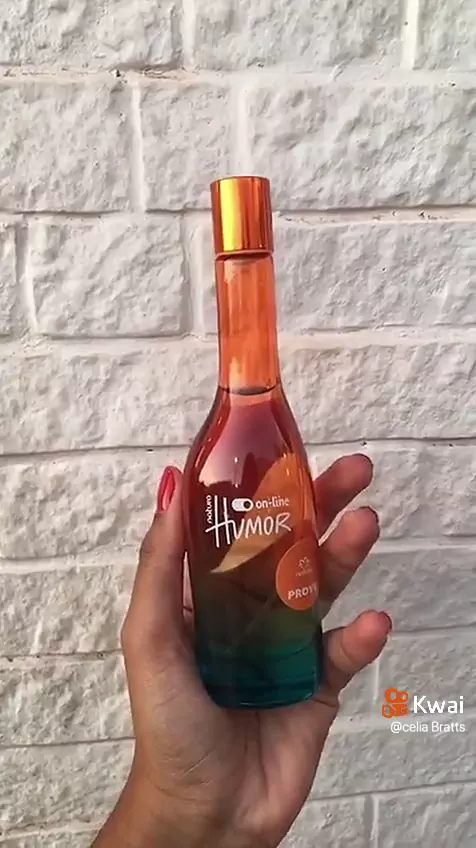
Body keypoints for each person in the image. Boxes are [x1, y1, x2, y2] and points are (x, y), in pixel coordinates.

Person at [93, 456, 391, 848]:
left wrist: (185, 811)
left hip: (285, 673)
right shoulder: (215, 453)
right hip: (221, 685)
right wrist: (179, 801)